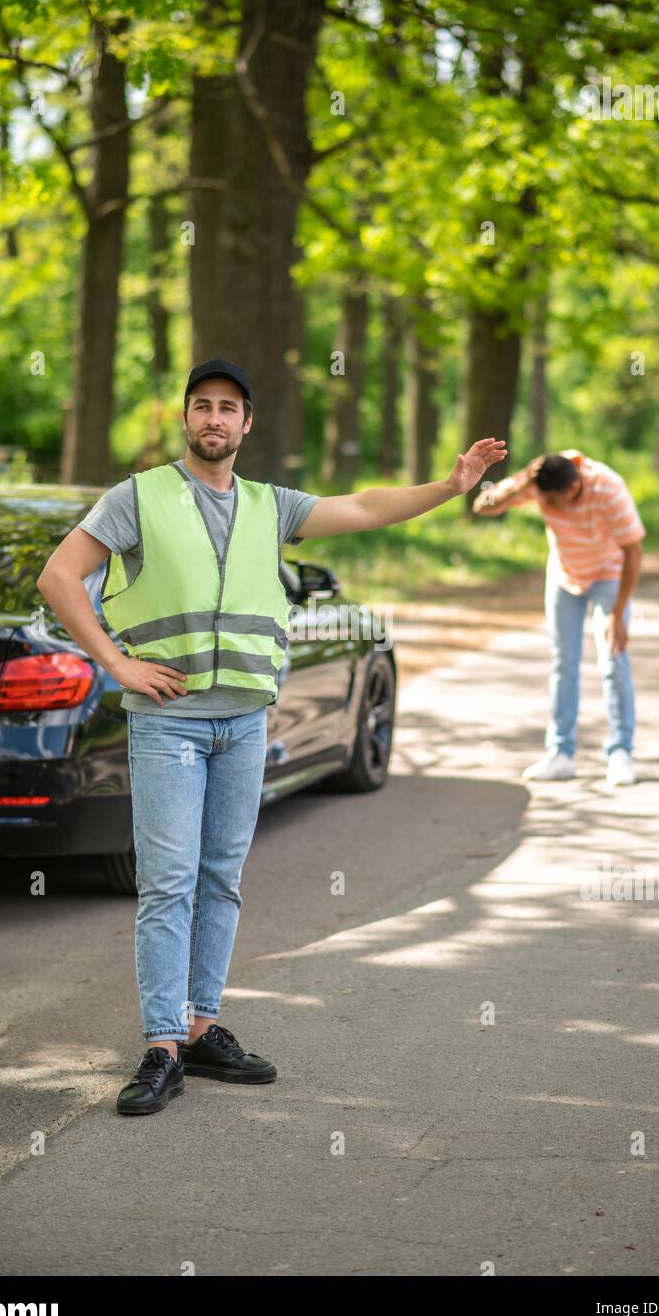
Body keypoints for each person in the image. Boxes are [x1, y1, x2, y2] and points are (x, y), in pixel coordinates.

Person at [37, 358, 507, 1115]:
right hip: (170, 722)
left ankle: (201, 1026)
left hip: (245, 720)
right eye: (201, 407)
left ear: (247, 424)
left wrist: (450, 487)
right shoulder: (139, 497)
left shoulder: (270, 505)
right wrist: (117, 662)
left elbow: (363, 507)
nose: (214, 419)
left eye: (228, 408)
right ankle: (160, 1046)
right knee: (168, 883)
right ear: (184, 419)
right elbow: (60, 576)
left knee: (222, 878)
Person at [472, 449, 645, 786]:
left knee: (613, 659)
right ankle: (560, 753)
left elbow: (634, 551)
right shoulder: (539, 482)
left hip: (610, 575)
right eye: (543, 500)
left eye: (554, 501)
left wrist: (618, 614)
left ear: (574, 487)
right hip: (565, 576)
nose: (548, 508)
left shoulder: (608, 489)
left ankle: (620, 753)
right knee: (564, 663)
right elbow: (483, 506)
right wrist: (522, 478)